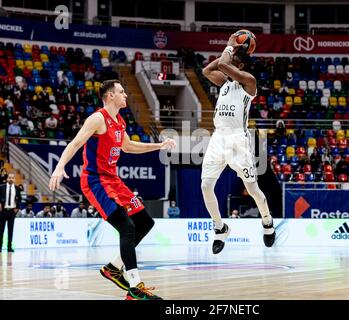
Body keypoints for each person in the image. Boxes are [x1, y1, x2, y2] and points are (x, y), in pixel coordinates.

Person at [48, 79, 176, 300]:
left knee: (145, 222)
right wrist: (59, 167)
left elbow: (128, 146)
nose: (125, 95)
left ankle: (113, 268)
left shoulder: (119, 120)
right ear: (110, 96)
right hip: (96, 181)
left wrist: (159, 145)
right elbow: (75, 143)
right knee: (126, 227)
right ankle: (135, 288)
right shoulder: (98, 118)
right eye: (121, 92)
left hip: (113, 179)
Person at [201, 33, 275, 255]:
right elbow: (207, 71)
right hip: (218, 137)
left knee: (252, 188)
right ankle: (220, 227)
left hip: (237, 140)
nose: (228, 63)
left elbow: (223, 63)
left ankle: (267, 221)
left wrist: (229, 47)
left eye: (234, 61)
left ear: (240, 64)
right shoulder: (225, 82)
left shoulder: (249, 82)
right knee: (206, 186)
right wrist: (231, 49)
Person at [0, 172, 22, 252]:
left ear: (14, 179)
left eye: (12, 178)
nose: (11, 179)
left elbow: (20, 199)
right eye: (9, 177)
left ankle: (9, 247)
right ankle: (0, 247)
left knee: (10, 230)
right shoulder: (1, 187)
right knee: (1, 230)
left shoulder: (17, 188)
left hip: (12, 211)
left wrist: (17, 207)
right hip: (3, 211)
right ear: (7, 178)